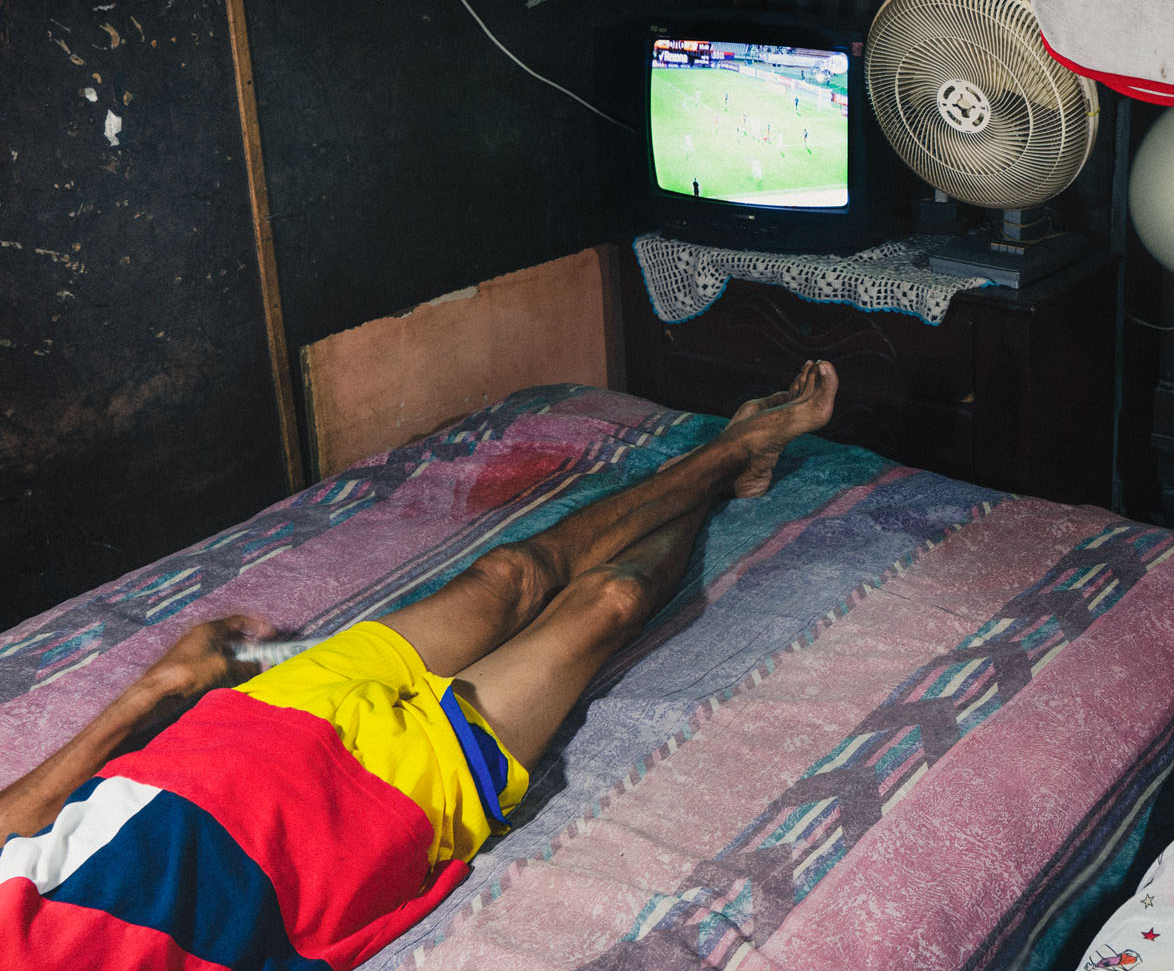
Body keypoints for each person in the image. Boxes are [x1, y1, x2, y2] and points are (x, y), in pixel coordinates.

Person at [0, 361, 840, 968]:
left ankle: (731, 450)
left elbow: (14, 825)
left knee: (508, 577)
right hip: (354, 835)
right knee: (609, 605)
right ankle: (734, 461)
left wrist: (164, 683)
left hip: (247, 730)